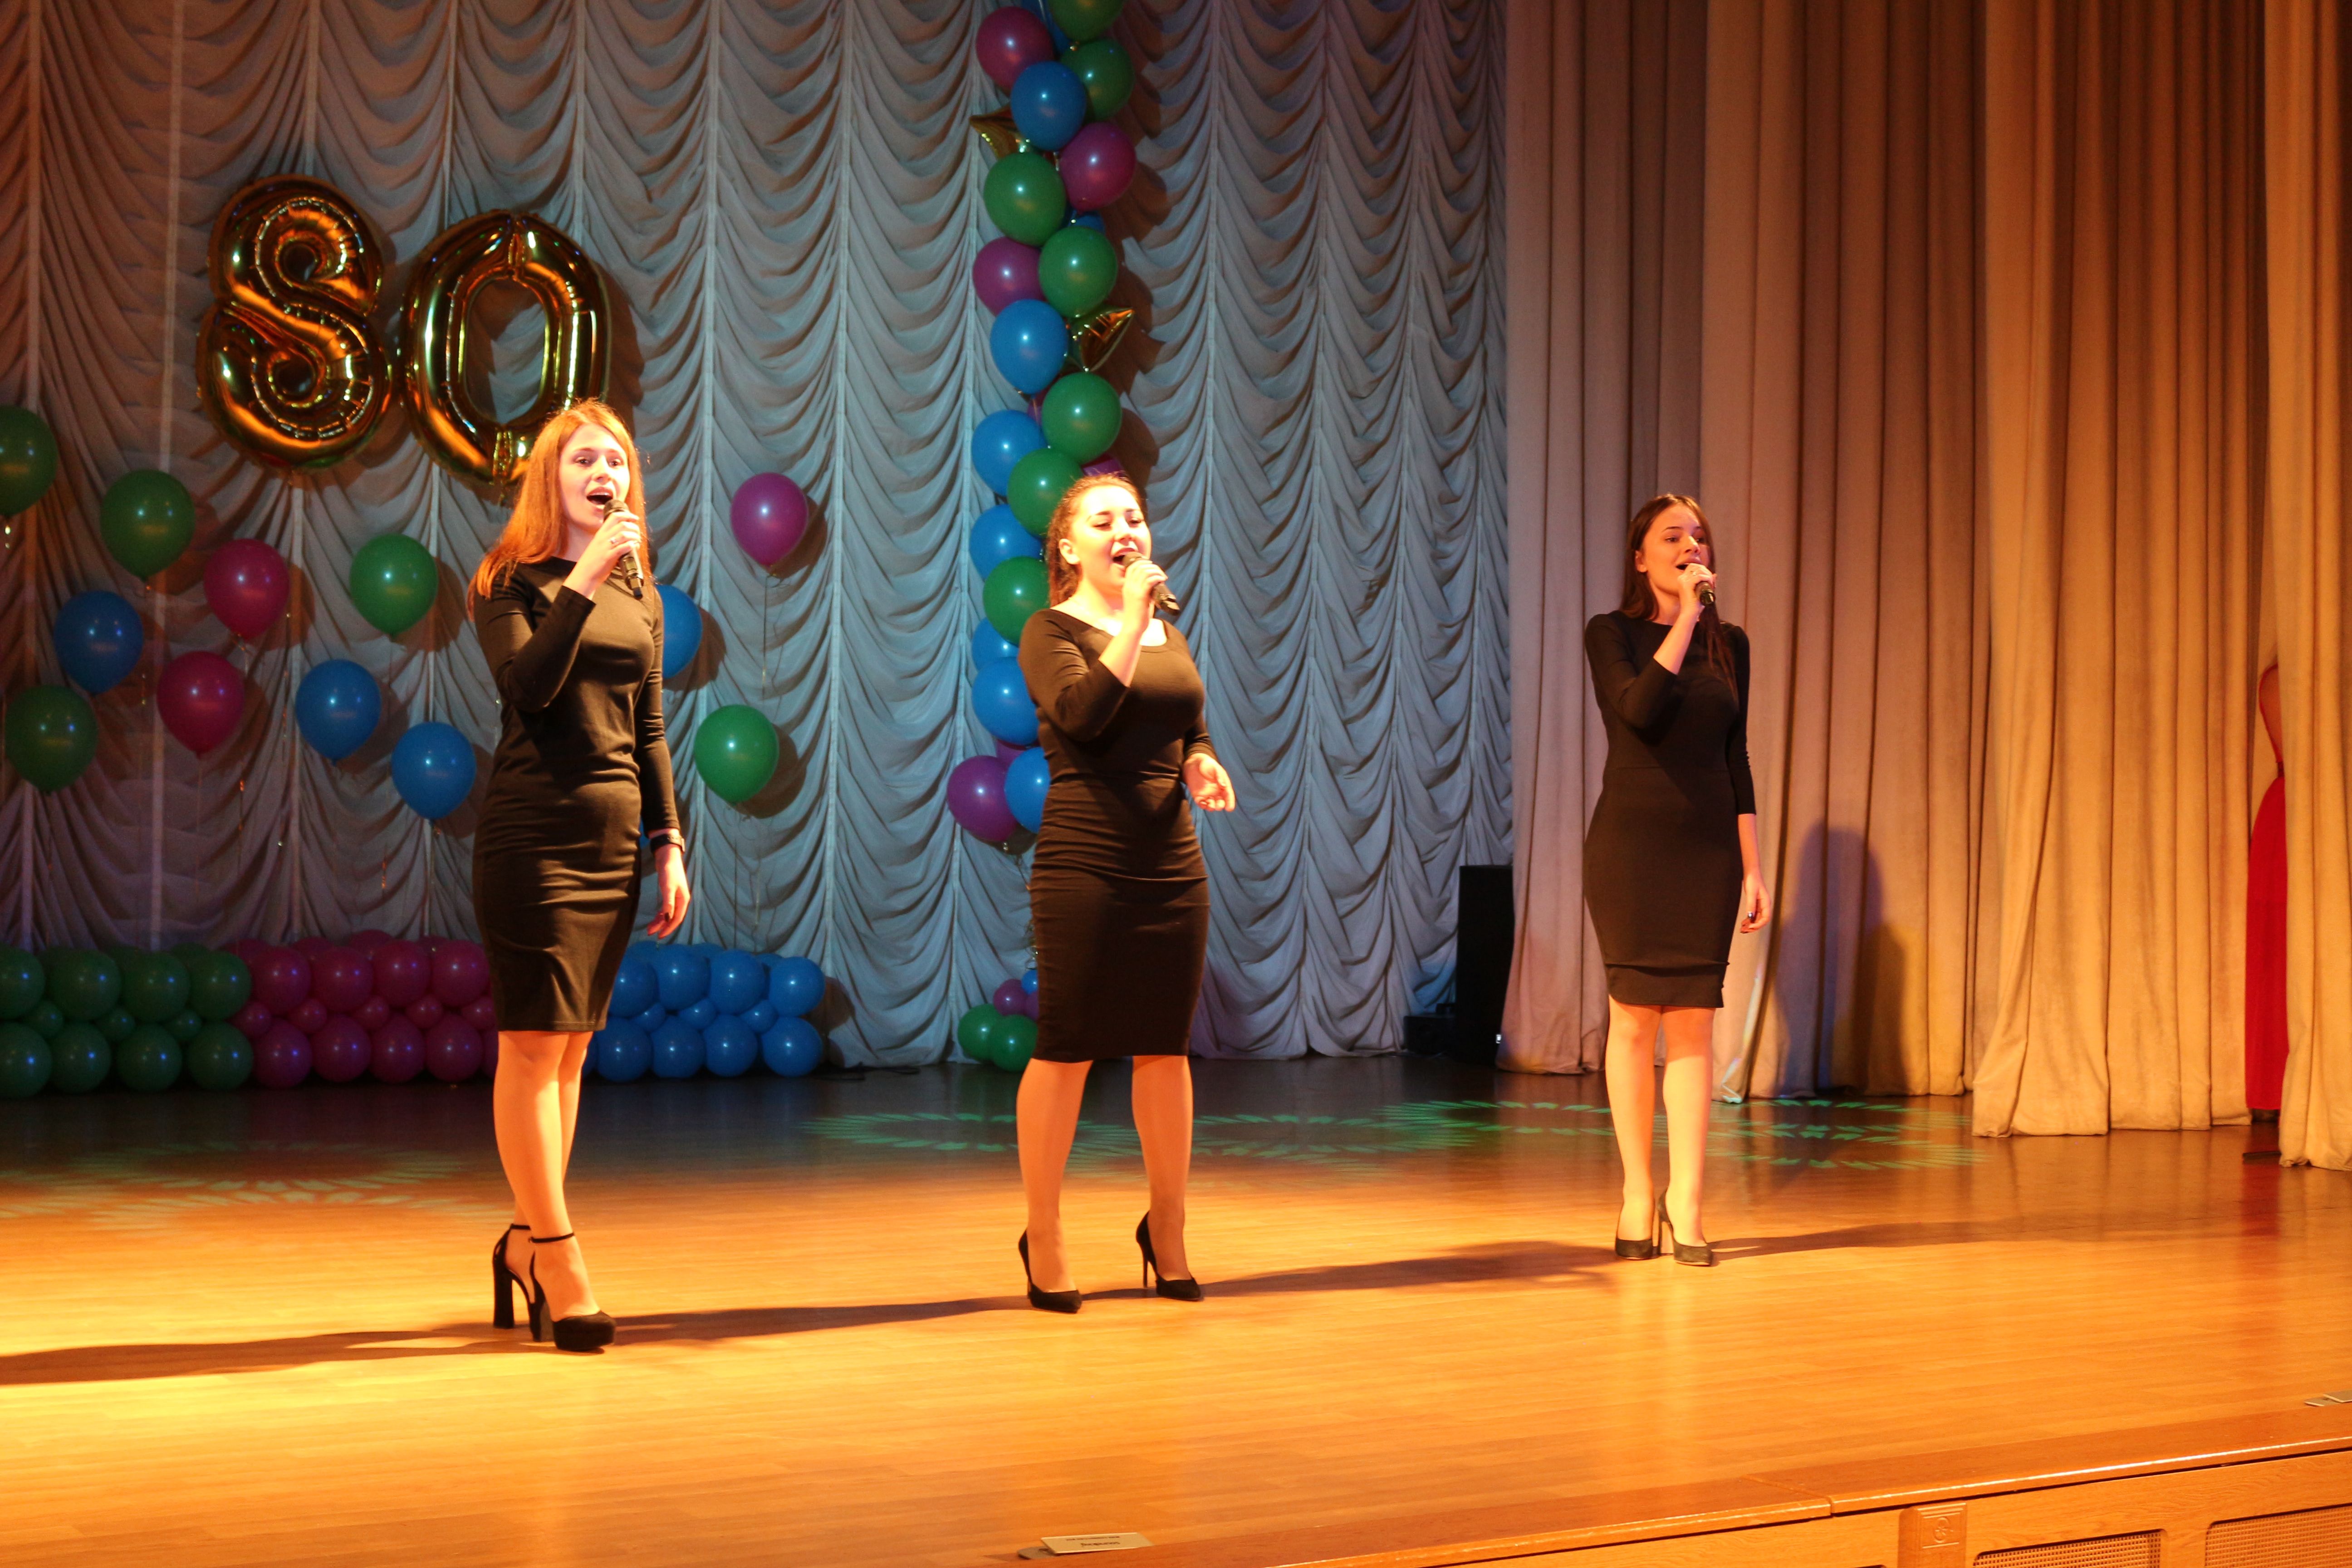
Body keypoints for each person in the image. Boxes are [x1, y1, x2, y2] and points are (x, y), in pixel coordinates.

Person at [469, 399, 691, 1351]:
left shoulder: (643, 595)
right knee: (531, 1044)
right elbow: (528, 690)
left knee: (570, 1052)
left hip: (612, 841)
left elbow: (649, 726)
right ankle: (559, 1256)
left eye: (617, 462)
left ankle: (525, 1242)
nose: (606, 475)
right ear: (550, 478)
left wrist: (668, 840)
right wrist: (586, 577)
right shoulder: (507, 581)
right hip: (532, 836)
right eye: (586, 461)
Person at [1013, 476, 1236, 1313]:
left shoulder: (1166, 630)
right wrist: (1133, 624)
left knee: (1164, 1048)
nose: (1126, 530)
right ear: (1070, 548)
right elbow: (1083, 716)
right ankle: (1044, 1234)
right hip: (1086, 862)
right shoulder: (1051, 630)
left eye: (1135, 517)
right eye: (1103, 520)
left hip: (1171, 861)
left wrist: (1201, 760)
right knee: (1068, 1046)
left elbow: (1186, 724)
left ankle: (1167, 1228)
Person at [1583, 495, 1770, 1267]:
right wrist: (1687, 618)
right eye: (1673, 537)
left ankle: (1687, 1201)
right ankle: (1638, 1192)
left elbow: (1737, 757)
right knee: (1633, 1021)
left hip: (1708, 853)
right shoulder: (1610, 634)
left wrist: (1753, 866)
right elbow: (1638, 710)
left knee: (1693, 1022)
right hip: (1631, 849)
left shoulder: (1733, 646)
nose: (1691, 547)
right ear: (1641, 558)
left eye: (1699, 537)